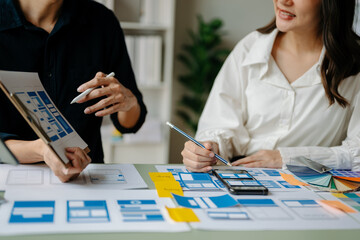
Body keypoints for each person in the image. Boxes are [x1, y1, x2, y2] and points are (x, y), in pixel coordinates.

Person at [181, 0, 360, 172]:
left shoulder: (353, 66)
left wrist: (286, 158)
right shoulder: (249, 48)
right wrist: (209, 148)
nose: (283, 1)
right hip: (241, 178)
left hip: (313, 193)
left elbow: (357, 153)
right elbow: (217, 125)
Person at [0, 0, 147, 182]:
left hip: (86, 179)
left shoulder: (102, 21)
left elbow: (130, 123)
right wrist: (42, 150)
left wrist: (129, 102)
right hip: (9, 178)